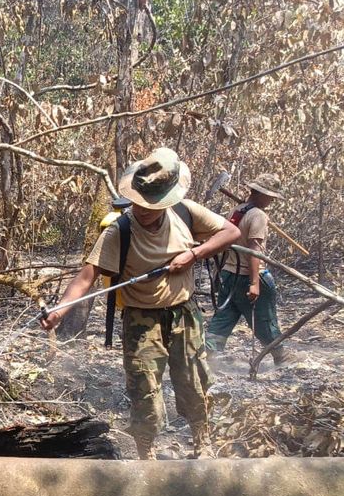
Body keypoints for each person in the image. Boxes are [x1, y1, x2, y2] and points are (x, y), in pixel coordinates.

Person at [40, 147, 240, 459]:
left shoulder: (185, 213)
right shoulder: (119, 231)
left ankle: (203, 442)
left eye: (151, 205)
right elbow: (86, 276)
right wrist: (59, 311)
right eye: (138, 202)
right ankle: (145, 453)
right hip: (141, 320)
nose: (142, 209)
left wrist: (194, 255)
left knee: (193, 380)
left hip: (184, 314)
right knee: (144, 389)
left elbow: (231, 231)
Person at [205, 173, 288, 364]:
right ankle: (280, 355)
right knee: (264, 319)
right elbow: (254, 251)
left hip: (229, 275)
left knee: (223, 318)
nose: (271, 202)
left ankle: (206, 355)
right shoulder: (258, 215)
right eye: (270, 197)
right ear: (261, 194)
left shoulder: (236, 211)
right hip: (249, 275)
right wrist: (255, 283)